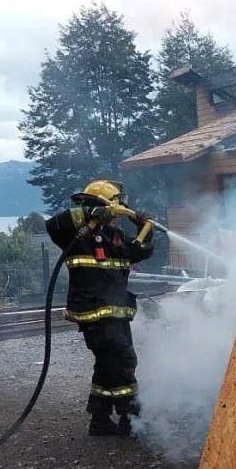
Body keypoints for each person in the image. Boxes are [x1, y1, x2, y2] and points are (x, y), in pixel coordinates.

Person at [45, 179, 154, 436]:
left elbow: (140, 251)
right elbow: (53, 224)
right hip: (95, 314)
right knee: (124, 360)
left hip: (116, 314)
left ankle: (100, 420)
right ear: (101, 207)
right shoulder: (77, 236)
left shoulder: (115, 238)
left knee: (107, 365)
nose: (117, 217)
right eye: (113, 211)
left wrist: (145, 227)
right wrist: (90, 214)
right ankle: (132, 421)